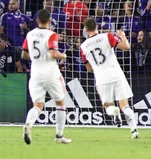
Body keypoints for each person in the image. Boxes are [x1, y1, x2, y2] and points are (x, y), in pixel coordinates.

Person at [80, 17, 139, 139]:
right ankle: (134, 130)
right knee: (125, 105)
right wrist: (122, 36)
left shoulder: (83, 46)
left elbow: (89, 68)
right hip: (116, 73)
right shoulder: (107, 36)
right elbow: (126, 46)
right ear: (97, 27)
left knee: (108, 105)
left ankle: (114, 112)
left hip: (102, 77)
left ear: (86, 29)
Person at [21, 9, 70, 145]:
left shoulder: (30, 34)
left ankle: (28, 125)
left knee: (37, 105)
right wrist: (63, 55)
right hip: (51, 72)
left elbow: (24, 55)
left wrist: (37, 58)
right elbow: (54, 54)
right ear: (49, 21)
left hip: (35, 73)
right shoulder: (51, 34)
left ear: (37, 21)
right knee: (60, 103)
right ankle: (59, 136)